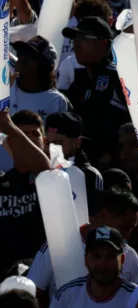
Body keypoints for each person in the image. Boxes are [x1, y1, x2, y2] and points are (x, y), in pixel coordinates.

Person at [29, 187, 138, 304]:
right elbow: (31, 293)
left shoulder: (130, 255)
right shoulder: (57, 246)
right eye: (124, 228)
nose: (128, 236)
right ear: (104, 215)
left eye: (110, 257)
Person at [61, 17, 132, 168]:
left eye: (83, 39)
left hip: (117, 167)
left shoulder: (119, 77)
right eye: (75, 40)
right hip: (82, 165)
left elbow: (134, 125)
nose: (76, 46)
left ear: (104, 43)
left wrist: (112, 154)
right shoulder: (77, 82)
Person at [0, 111, 50, 274]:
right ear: (8, 144)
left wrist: (14, 131)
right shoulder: (2, 181)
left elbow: (43, 168)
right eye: (23, 134)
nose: (30, 140)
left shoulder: (56, 175)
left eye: (35, 135)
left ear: (44, 142)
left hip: (39, 274)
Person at [49, 226, 138, 307]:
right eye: (96, 256)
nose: (103, 264)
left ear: (122, 259)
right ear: (86, 259)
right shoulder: (65, 296)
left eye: (110, 256)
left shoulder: (137, 298)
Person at [44, 112, 104, 214]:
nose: (51, 148)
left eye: (58, 142)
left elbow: (92, 217)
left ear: (77, 143)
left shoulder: (89, 175)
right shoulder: (35, 169)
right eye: (47, 142)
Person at [9, 36, 71, 121]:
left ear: (45, 67)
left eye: (29, 56)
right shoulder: (5, 90)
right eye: (20, 54)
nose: (22, 59)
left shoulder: (57, 101)